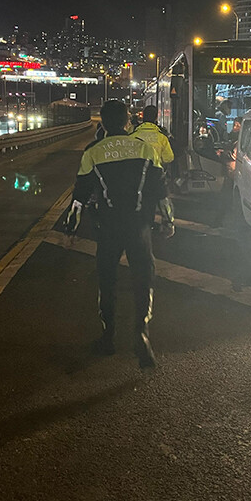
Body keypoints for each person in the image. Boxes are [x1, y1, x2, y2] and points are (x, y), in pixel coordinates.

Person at [64, 100, 172, 368]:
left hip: (109, 228)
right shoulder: (146, 149)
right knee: (143, 279)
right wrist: (169, 220)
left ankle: (108, 337)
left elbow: (79, 196)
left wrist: (71, 228)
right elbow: (161, 190)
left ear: (102, 122)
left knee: (107, 281)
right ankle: (141, 335)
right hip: (139, 227)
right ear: (127, 122)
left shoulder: (93, 152)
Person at [132, 105, 176, 235]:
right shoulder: (162, 136)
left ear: (143, 117)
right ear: (156, 117)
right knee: (158, 200)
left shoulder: (133, 134)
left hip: (135, 177)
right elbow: (169, 158)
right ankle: (161, 224)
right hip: (155, 177)